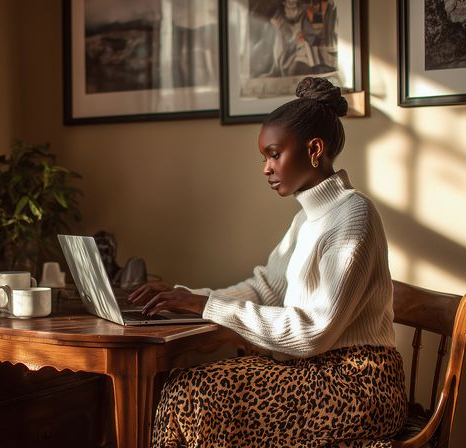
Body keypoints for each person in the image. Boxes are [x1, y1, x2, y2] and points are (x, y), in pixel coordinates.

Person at [129, 77, 407, 447]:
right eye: (264, 158)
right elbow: (265, 289)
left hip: (359, 385)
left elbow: (313, 333)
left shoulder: (354, 215)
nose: (266, 168)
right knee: (183, 385)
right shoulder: (305, 220)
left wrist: (207, 306)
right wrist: (187, 298)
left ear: (314, 150)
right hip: (313, 375)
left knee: (203, 395)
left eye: (274, 154)